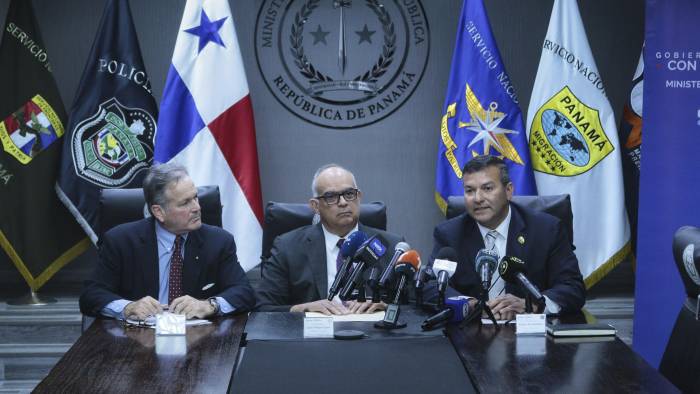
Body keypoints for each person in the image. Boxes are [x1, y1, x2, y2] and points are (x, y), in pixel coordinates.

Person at [79, 163, 255, 320]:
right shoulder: (121, 241)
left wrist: (209, 305)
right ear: (159, 212)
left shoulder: (218, 241)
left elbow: (244, 293)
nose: (197, 207)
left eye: (195, 197)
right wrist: (127, 307)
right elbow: (91, 296)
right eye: (185, 203)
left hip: (199, 338)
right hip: (136, 339)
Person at [430, 155, 585, 320]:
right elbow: (431, 285)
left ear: (508, 191)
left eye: (487, 188)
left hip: (533, 336)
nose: (477, 198)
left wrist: (532, 304)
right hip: (470, 333)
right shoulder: (450, 234)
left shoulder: (547, 230)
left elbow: (572, 287)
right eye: (470, 191)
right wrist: (470, 305)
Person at [256, 164, 404, 314]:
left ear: (359, 197)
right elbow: (264, 307)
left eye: (349, 194)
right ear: (315, 206)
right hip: (315, 335)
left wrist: (385, 306)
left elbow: (413, 306)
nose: (343, 202)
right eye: (331, 197)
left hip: (373, 333)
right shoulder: (287, 247)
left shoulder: (392, 247)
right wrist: (304, 308)